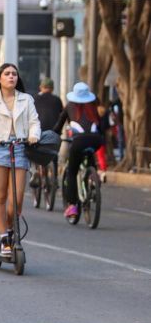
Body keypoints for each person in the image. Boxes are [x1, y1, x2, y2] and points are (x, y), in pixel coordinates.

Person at [0, 63, 40, 256]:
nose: (11, 76)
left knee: (17, 199)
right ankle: (4, 237)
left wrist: (34, 135)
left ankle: (12, 230)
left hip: (20, 147)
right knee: (0, 196)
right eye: (7, 74)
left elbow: (34, 122)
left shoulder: (26, 99)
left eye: (14, 74)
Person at [53, 82, 104, 220]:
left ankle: (72, 206)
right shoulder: (93, 106)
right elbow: (101, 127)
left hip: (78, 142)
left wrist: (54, 134)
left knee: (71, 171)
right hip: (96, 141)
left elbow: (58, 126)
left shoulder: (69, 106)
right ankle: (94, 177)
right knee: (89, 156)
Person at [32, 77, 64, 187]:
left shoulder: (34, 99)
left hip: (38, 131)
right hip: (53, 132)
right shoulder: (57, 100)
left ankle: (35, 172)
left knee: (33, 150)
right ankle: (54, 178)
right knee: (53, 152)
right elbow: (61, 115)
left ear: (41, 87)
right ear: (52, 88)